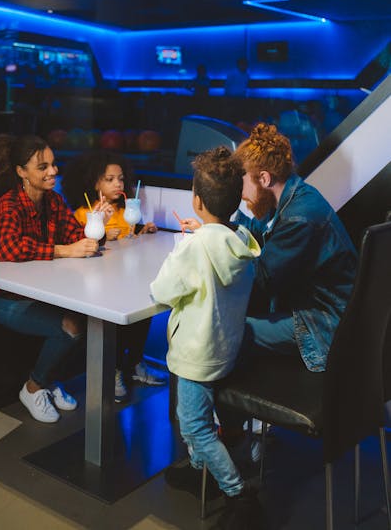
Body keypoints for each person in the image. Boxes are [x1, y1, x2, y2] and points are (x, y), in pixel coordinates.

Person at [183, 123, 357, 451]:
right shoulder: (293, 196)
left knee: (219, 332)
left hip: (323, 327)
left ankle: (224, 439)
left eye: (242, 183)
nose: (239, 193)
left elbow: (260, 281)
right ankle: (234, 431)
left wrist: (213, 250)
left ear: (263, 178)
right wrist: (219, 225)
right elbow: (261, 232)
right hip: (324, 315)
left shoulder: (300, 217)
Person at [150, 147, 264, 530]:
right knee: (195, 419)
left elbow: (163, 291)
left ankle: (235, 491)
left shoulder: (195, 247)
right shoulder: (241, 241)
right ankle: (200, 471)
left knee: (194, 425)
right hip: (226, 349)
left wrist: (184, 247)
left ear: (196, 201)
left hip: (196, 356)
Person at [0, 134, 105, 424]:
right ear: (21, 172)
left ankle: (48, 380)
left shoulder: (53, 201)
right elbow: (8, 248)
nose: (53, 171)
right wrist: (62, 251)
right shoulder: (10, 203)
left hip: (37, 293)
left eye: (53, 165)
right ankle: (33, 388)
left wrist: (96, 223)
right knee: (73, 325)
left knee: (90, 317)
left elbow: (75, 236)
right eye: (42, 167)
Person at [61, 150, 164, 401]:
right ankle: (115, 370)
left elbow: (130, 238)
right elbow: (83, 243)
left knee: (146, 310)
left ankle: (135, 362)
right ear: (95, 183)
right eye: (109, 179)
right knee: (116, 320)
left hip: (123, 277)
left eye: (120, 178)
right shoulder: (85, 214)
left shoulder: (123, 211)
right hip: (97, 283)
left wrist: (142, 230)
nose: (118, 183)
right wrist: (104, 231)